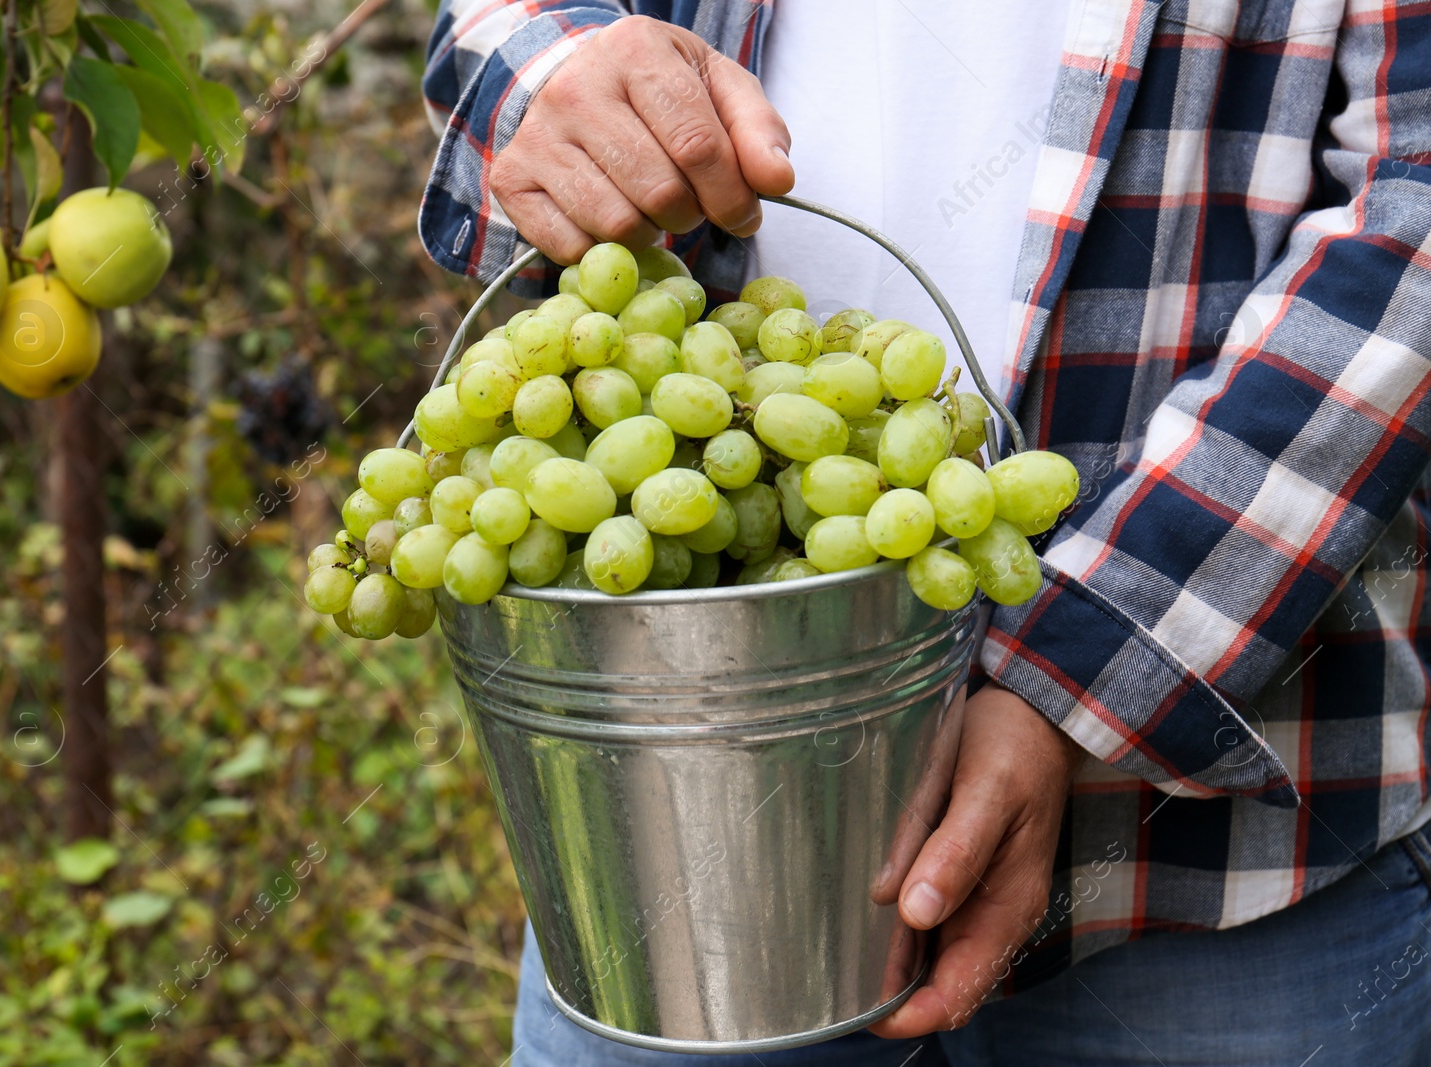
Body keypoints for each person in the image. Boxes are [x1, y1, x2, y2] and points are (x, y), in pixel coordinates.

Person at [419, 2, 1431, 1063]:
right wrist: (549, 68)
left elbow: (1409, 208)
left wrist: (1082, 671)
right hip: (691, 793)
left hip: (1210, 846)